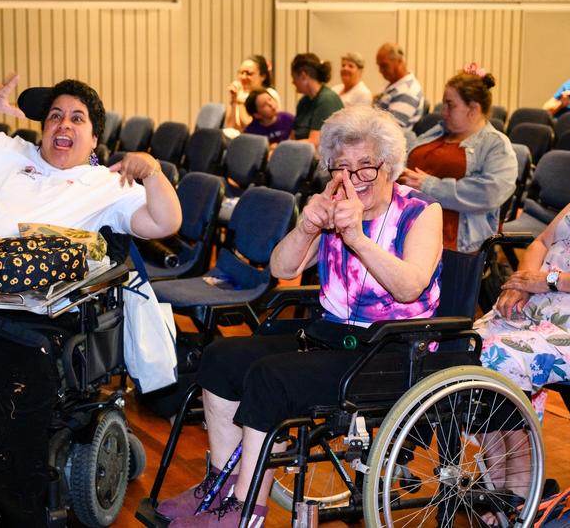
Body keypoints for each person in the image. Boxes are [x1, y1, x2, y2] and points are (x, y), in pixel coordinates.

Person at [156, 105, 443, 527]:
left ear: (389, 166)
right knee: (221, 358)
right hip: (332, 335)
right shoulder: (333, 207)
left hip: (392, 349)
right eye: (341, 168)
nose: (353, 179)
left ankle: (245, 509)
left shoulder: (421, 211)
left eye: (366, 166)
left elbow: (409, 287)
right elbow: (281, 268)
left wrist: (356, 238)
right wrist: (308, 227)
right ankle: (219, 487)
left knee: (271, 377)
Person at [474, 133, 570, 511]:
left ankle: (518, 482)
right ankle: (501, 481)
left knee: (497, 358)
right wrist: (520, 284)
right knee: (461, 348)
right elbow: (540, 242)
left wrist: (550, 281)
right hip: (541, 304)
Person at [0, 75, 182, 259]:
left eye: (77, 118)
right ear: (44, 129)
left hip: (32, 305)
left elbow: (164, 223)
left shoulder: (108, 184)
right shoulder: (7, 151)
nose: (64, 124)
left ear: (94, 139)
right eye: (55, 116)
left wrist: (152, 172)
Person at [399, 64, 517, 253]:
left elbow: (488, 194)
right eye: (444, 104)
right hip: (407, 223)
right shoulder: (438, 131)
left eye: (450, 105)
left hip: (453, 241)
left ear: (473, 109)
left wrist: (428, 186)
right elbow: (406, 159)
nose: (443, 111)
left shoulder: (495, 144)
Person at [290, 52, 344, 150]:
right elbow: (293, 137)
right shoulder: (303, 102)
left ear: (303, 76)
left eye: (294, 77)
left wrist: (283, 147)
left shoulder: (327, 101)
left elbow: (314, 143)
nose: (292, 82)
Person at [374, 42, 425, 133]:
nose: (380, 70)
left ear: (399, 62)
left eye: (384, 66)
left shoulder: (408, 92)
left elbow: (389, 130)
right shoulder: (395, 84)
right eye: (379, 66)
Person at [224, 55, 280, 133]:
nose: (243, 77)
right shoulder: (240, 94)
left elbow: (249, 126)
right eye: (241, 73)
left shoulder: (269, 94)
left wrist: (240, 101)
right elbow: (229, 127)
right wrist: (233, 100)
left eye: (249, 74)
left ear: (263, 76)